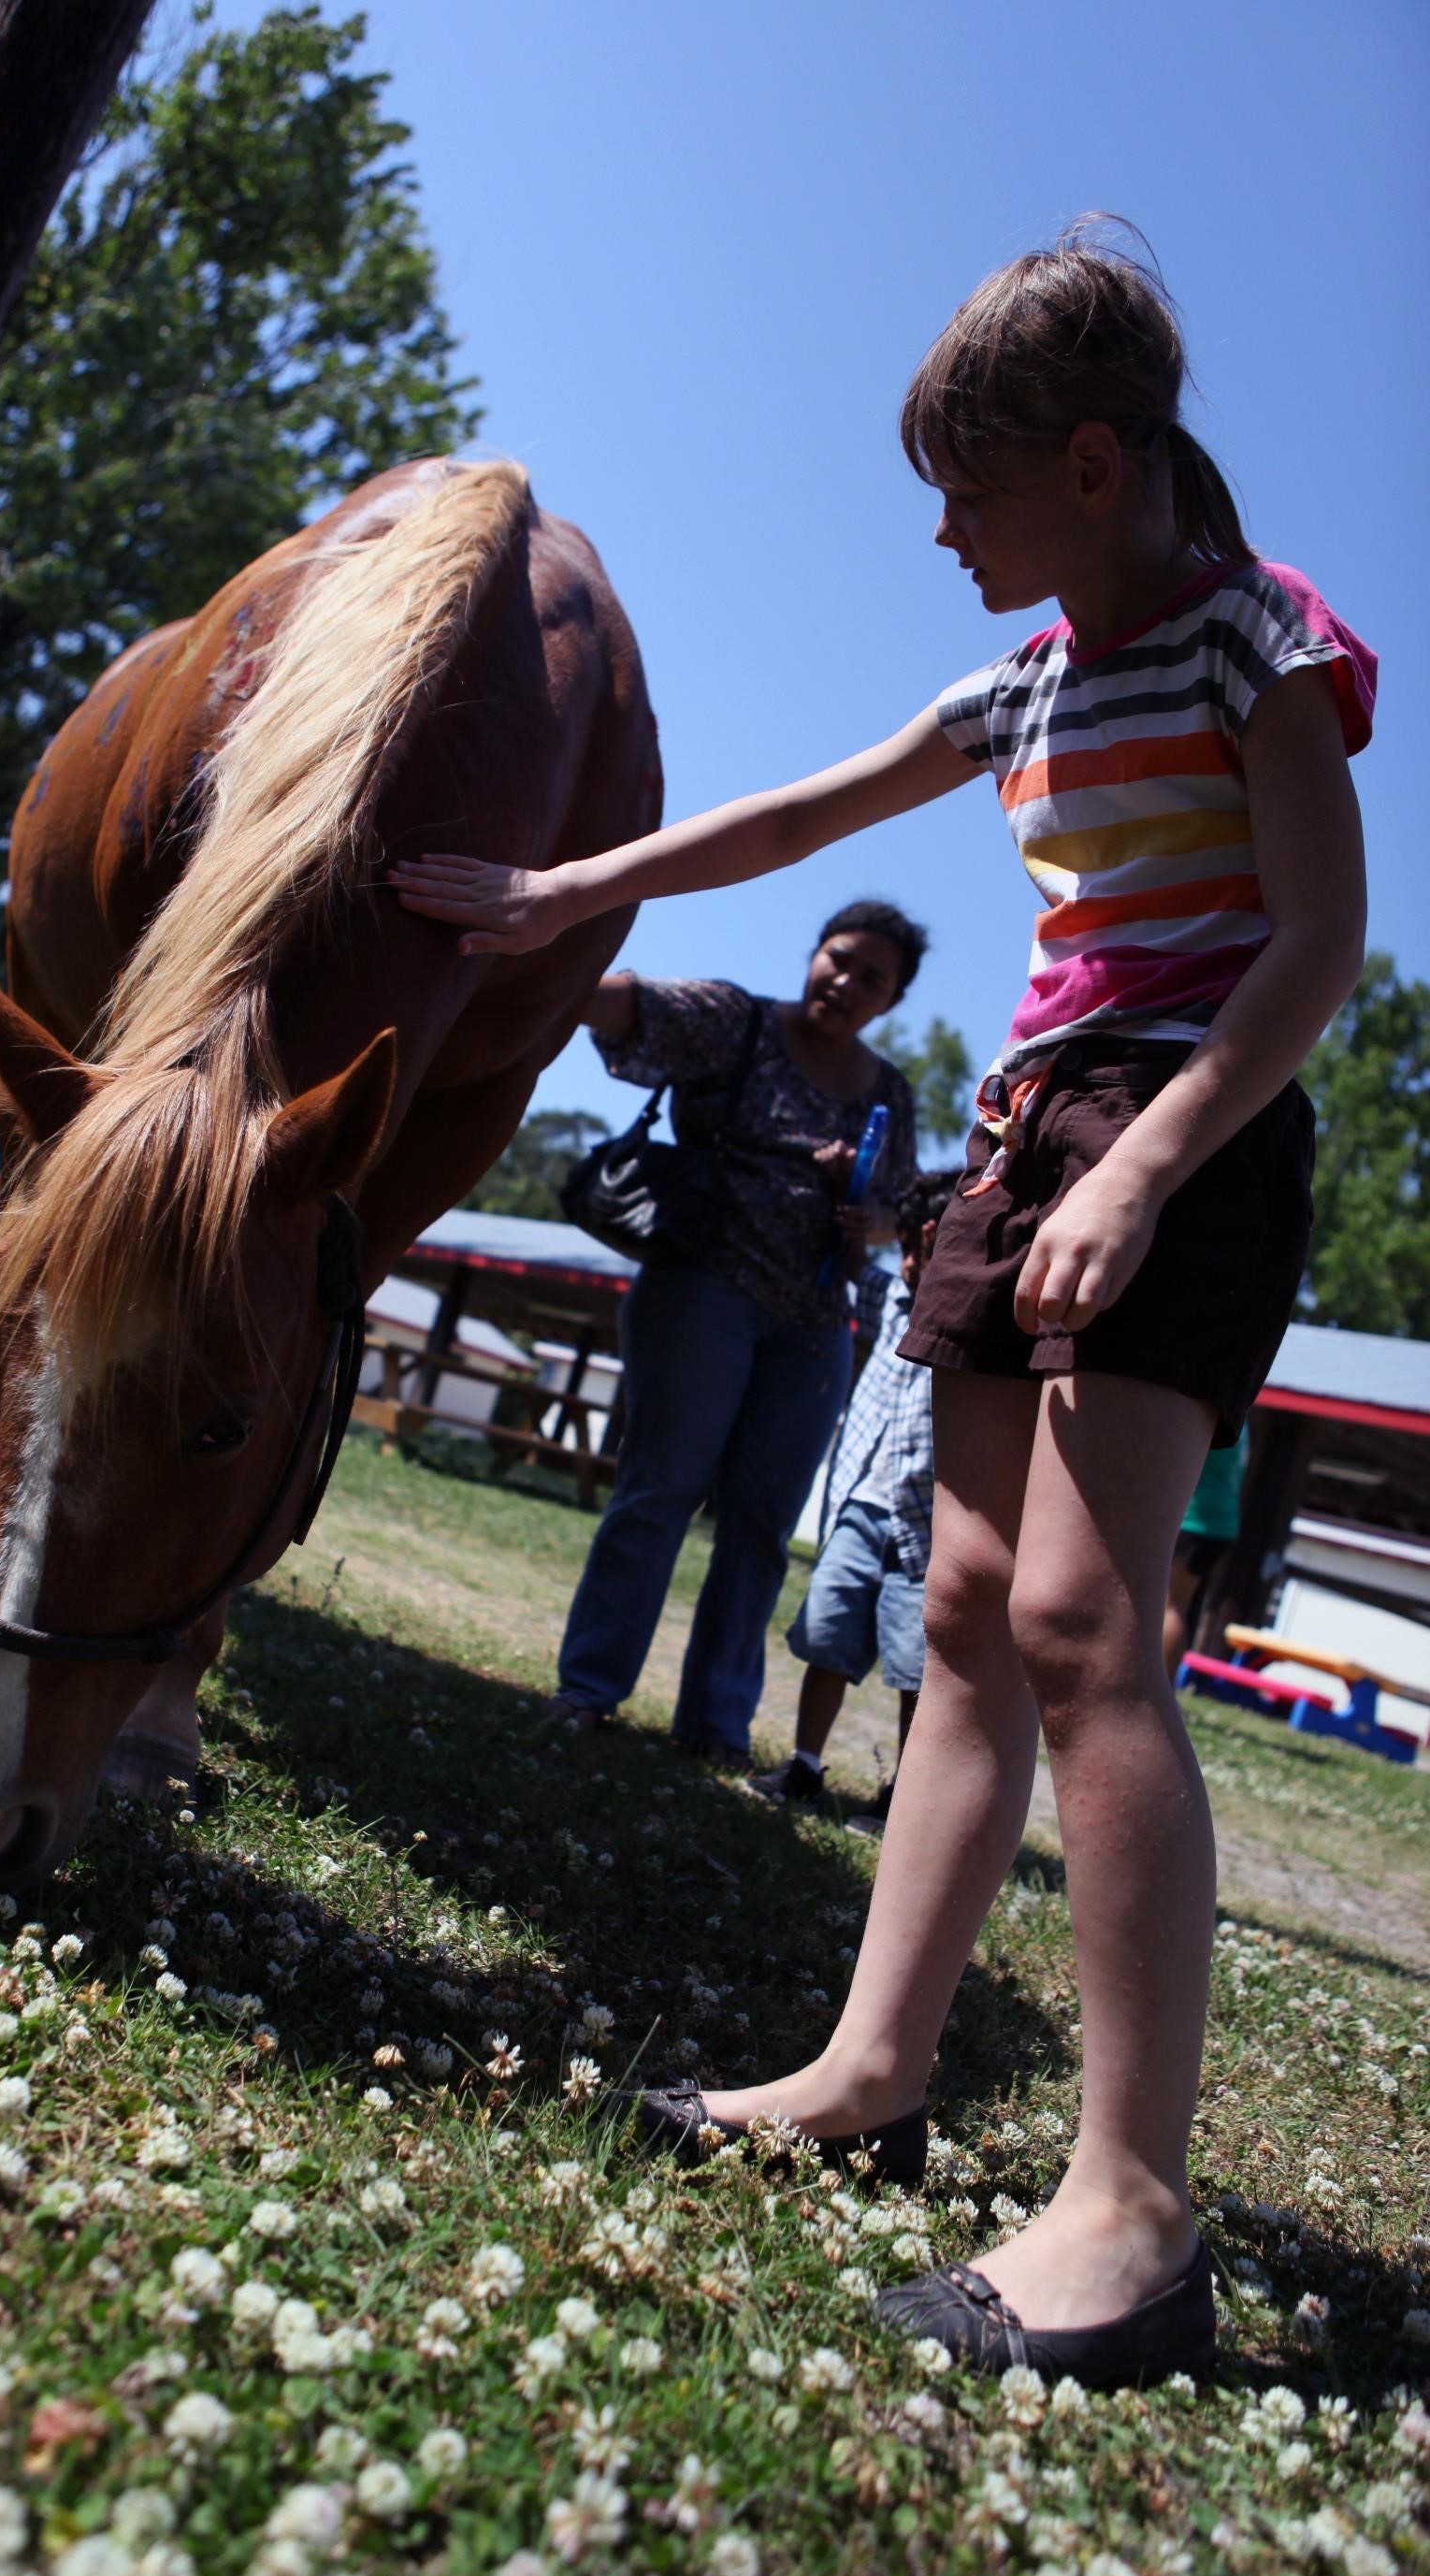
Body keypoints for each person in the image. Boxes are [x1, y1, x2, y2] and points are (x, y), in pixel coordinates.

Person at [392, 219, 1373, 2385]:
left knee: (1083, 1624)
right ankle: (870, 2063)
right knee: (954, 1618)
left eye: (973, 485)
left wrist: (1138, 1167)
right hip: (1020, 1124)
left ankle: (1130, 2208)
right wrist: (564, 886)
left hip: (1173, 1131)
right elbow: (800, 809)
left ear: (1096, 465)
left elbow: (1316, 945)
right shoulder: (1020, 680)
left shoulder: (1251, 640)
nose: (940, 526)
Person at [542, 905, 920, 1765]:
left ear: (891, 1002)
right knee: (660, 1490)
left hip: (817, 1324)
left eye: (873, 980)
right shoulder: (736, 1021)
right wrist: (543, 951)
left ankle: (715, 1726)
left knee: (760, 1526)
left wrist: (874, 1218)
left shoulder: (889, 1091)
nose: (847, 984)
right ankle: (588, 1691)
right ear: (814, 951)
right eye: (840, 959)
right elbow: (631, 1007)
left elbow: (899, 1208)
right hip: (702, 1289)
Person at [754, 1168, 958, 1814]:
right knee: (828, 1635)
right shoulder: (892, 1300)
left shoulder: (970, 1327)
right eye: (902, 1247)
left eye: (920, 1250)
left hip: (927, 1527)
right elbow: (852, 1263)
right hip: (862, 1505)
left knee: (915, 1665)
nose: (905, 1264)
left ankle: (905, 1792)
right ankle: (804, 1765)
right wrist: (858, 1198)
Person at [1162, 1429, 1248, 1681]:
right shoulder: (1242, 1423)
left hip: (1194, 1520)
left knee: (1168, 1607)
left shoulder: (1208, 1409)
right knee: (1177, 1605)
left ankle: (1158, 1691)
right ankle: (1163, 1689)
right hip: (1219, 1522)